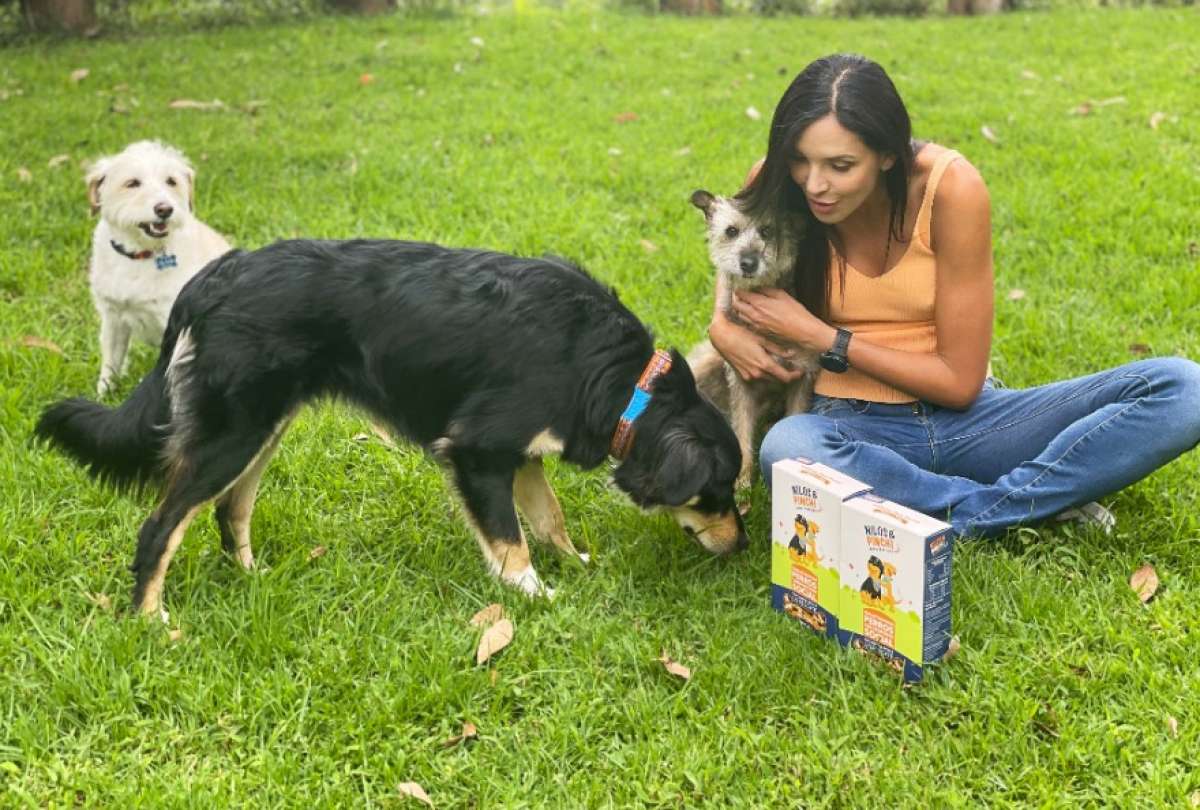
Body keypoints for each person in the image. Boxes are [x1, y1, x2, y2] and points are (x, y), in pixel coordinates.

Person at [707, 53, 1200, 537]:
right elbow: (736, 259)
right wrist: (722, 328)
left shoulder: (951, 187)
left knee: (1184, 388)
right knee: (790, 448)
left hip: (972, 419)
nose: (815, 184)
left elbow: (959, 384)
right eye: (799, 159)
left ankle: (950, 507)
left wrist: (826, 339)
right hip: (851, 429)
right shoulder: (777, 187)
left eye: (840, 165)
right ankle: (1033, 498)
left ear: (887, 154)